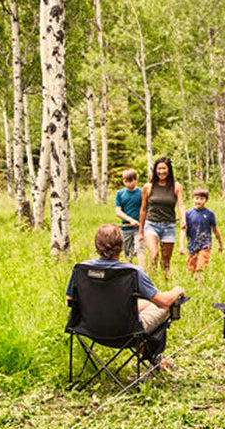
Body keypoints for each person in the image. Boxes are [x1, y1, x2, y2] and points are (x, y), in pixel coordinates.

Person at [67, 224, 186, 367]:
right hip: (126, 333)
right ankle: (154, 357)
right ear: (122, 246)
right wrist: (177, 290)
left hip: (89, 329)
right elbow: (163, 302)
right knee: (164, 306)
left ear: (96, 246)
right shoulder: (132, 273)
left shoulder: (81, 269)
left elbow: (70, 300)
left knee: (146, 304)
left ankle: (151, 355)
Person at [139, 156, 185, 278]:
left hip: (169, 225)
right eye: (159, 169)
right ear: (155, 170)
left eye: (164, 168)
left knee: (166, 261)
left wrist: (183, 219)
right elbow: (143, 209)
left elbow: (181, 204)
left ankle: (165, 281)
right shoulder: (148, 187)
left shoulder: (176, 186)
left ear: (169, 170)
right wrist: (140, 231)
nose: (161, 171)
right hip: (151, 224)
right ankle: (150, 280)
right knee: (154, 254)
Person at [182, 186, 223, 277]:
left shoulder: (209, 214)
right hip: (192, 245)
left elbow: (215, 230)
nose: (199, 201)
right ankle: (192, 283)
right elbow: (183, 230)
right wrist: (181, 246)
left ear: (206, 200)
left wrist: (220, 244)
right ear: (193, 199)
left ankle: (200, 283)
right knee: (190, 269)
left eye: (201, 199)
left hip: (205, 244)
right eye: (197, 198)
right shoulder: (188, 213)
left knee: (201, 267)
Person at [113, 168, 145, 265]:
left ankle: (142, 270)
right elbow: (118, 211)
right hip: (126, 228)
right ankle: (128, 270)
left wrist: (141, 222)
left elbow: (146, 209)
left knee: (140, 249)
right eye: (125, 181)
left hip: (140, 228)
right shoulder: (120, 194)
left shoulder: (142, 192)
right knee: (127, 253)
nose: (128, 184)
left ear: (136, 180)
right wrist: (131, 220)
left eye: (130, 181)